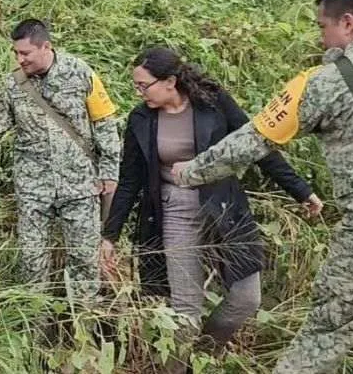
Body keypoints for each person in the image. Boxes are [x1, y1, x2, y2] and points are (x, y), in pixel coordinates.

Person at [173, 0, 353, 374]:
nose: (322, 40)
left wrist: (190, 172)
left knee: (320, 342)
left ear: (348, 23)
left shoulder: (325, 81)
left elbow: (252, 142)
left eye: (323, 27)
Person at [100, 47, 321, 370]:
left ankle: (203, 355)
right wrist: (110, 235)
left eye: (143, 85)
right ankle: (177, 367)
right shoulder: (141, 118)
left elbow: (257, 144)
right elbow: (130, 180)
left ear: (170, 81)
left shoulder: (212, 103)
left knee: (247, 299)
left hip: (224, 208)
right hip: (173, 211)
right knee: (184, 311)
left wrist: (301, 190)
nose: (138, 92)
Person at [0, 19, 121, 299]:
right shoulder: (14, 84)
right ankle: (34, 330)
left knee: (84, 263)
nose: (19, 58)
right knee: (32, 263)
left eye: (25, 53)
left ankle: (82, 329)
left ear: (46, 46)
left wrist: (109, 173)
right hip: (33, 189)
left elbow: (104, 124)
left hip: (79, 187)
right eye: (16, 53)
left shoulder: (80, 73)